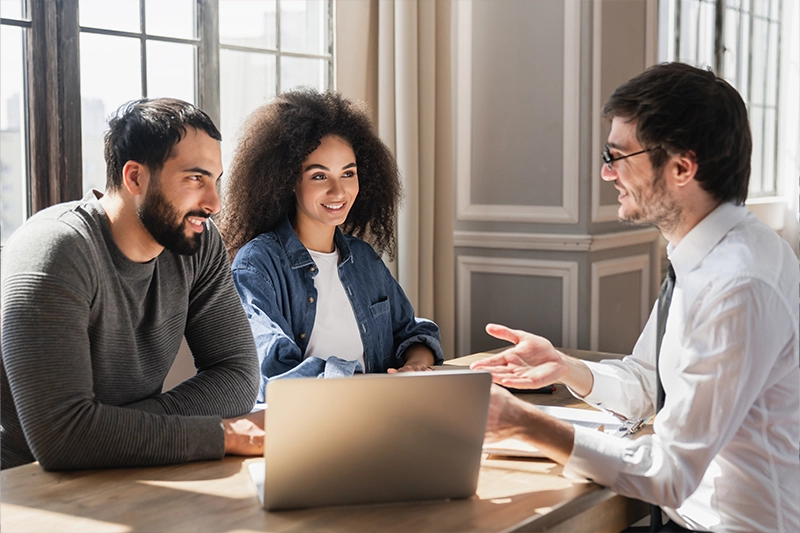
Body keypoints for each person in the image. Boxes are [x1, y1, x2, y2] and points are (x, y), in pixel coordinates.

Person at [471, 62, 799, 532]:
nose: (607, 174)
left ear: (682, 167)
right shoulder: (705, 254)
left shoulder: (737, 286)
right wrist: (566, 368)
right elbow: (651, 383)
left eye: (617, 156)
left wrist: (526, 424)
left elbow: (671, 474)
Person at [1, 98, 265, 471]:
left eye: (215, 180)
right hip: (26, 489)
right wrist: (225, 435)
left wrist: (114, 432)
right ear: (135, 177)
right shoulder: (55, 249)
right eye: (195, 178)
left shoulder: (198, 244)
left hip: (128, 469)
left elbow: (238, 376)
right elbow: (62, 438)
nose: (215, 203)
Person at [218, 89, 443, 402]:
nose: (339, 191)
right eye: (319, 176)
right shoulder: (257, 264)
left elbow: (412, 331)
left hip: (380, 412)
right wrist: (365, 384)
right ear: (289, 180)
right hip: (307, 424)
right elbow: (273, 370)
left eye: (348, 173)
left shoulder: (363, 258)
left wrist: (416, 366)